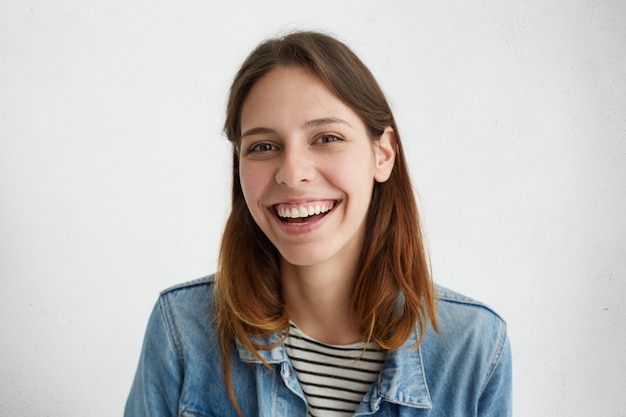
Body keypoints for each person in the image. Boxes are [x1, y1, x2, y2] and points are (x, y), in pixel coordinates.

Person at [124, 31, 512, 417]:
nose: (292, 174)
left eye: (326, 137)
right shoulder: (181, 330)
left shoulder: (474, 347)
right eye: (263, 146)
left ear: (383, 154)